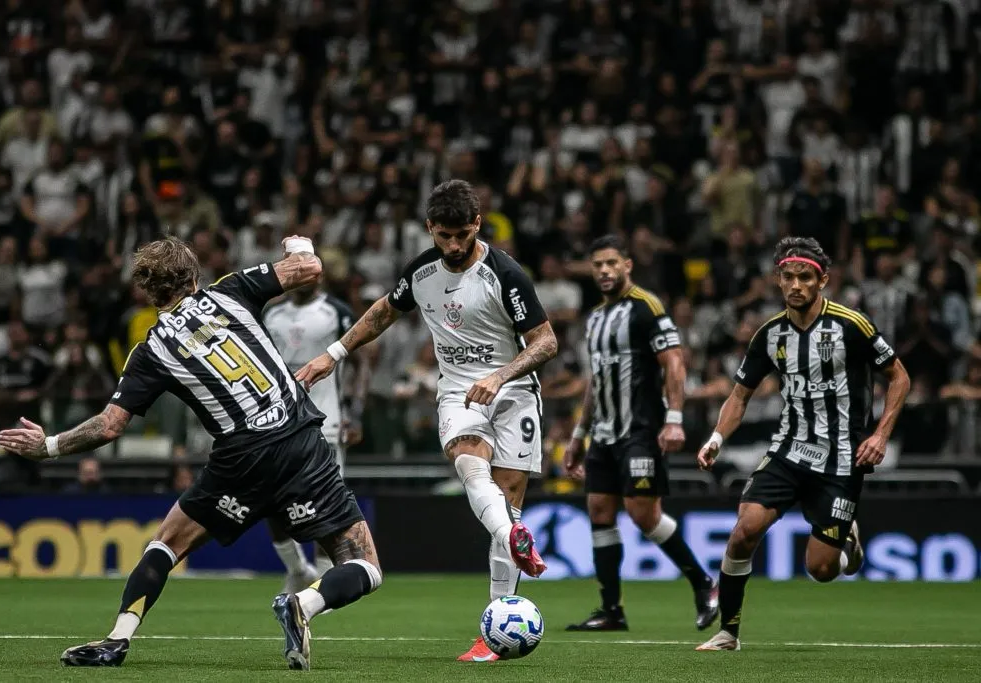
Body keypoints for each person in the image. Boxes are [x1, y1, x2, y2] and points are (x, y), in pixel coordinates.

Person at [0, 237, 381, 671]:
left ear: (148, 292)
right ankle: (305, 603)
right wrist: (299, 242)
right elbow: (309, 267)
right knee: (364, 565)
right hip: (300, 444)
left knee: (166, 545)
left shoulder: (151, 349)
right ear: (195, 276)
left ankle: (117, 639)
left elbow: (109, 426)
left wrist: (49, 446)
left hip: (240, 461)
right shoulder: (231, 289)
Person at [297, 180, 558, 662]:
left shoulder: (505, 273)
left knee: (507, 500)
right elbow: (382, 313)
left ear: (477, 224)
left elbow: (546, 341)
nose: (454, 246)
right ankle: (512, 538)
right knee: (469, 463)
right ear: (430, 228)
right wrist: (333, 354)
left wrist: (500, 375)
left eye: (462, 235)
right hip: (458, 391)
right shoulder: (421, 271)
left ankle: (493, 631)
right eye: (444, 236)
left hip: (514, 391)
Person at [694, 237, 910, 652]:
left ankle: (848, 543)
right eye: (788, 276)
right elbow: (739, 396)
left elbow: (899, 376)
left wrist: (880, 434)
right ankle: (728, 634)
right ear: (778, 279)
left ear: (822, 280)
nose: (796, 285)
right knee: (744, 531)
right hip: (788, 450)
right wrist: (716, 438)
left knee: (821, 569)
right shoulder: (770, 334)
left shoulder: (852, 325)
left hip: (841, 460)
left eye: (805, 277)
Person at [563, 235, 719, 632]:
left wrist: (674, 418)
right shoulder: (596, 318)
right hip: (603, 434)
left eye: (611, 263)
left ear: (627, 265)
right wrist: (579, 435)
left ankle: (704, 583)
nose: (604, 271)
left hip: (641, 429)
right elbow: (596, 381)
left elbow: (674, 362)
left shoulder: (647, 306)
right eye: (598, 264)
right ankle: (610, 610)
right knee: (599, 510)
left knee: (643, 514)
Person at [263, 277, 367, 588]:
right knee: (270, 499)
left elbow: (361, 362)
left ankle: (323, 581)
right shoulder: (271, 314)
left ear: (318, 275)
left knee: (327, 501)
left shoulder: (336, 312)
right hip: (279, 422)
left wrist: (355, 412)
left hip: (327, 421)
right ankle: (297, 570)